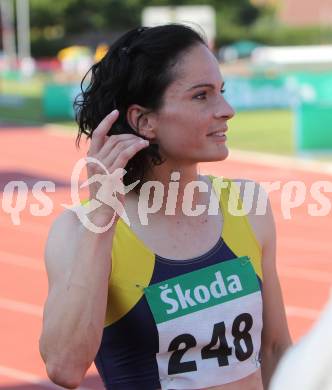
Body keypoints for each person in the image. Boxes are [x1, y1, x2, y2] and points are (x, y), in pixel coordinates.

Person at [39, 24, 291, 390]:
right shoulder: (79, 229)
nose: (228, 110)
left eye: (222, 92)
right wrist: (103, 213)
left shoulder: (248, 205)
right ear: (144, 120)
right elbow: (64, 366)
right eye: (202, 96)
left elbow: (274, 349)